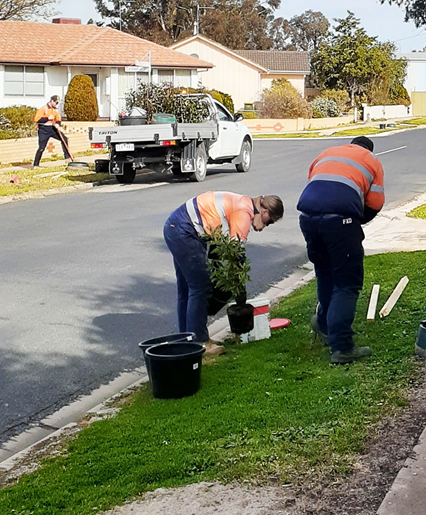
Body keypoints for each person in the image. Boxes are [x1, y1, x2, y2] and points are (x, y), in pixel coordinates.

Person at [297, 135, 385, 366]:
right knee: (347, 282)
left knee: (325, 273)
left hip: (308, 219)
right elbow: (375, 203)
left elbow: (318, 187)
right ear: (369, 149)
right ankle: (342, 347)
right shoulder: (371, 160)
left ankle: (325, 323)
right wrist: (354, 220)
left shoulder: (327, 153)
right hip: (340, 222)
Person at [162, 191, 284, 345]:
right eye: (269, 221)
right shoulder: (244, 213)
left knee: (187, 289)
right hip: (185, 230)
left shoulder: (243, 203)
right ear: (265, 211)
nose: (265, 226)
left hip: (176, 226)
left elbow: (219, 246)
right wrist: (240, 293)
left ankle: (187, 341)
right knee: (201, 288)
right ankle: (199, 343)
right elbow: (236, 254)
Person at [32, 96, 74, 167]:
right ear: (51, 101)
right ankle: (36, 164)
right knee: (41, 147)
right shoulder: (43, 109)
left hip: (52, 128)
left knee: (64, 139)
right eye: (56, 102)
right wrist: (47, 118)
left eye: (57, 103)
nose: (56, 104)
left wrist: (58, 124)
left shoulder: (56, 110)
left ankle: (67, 157)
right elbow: (37, 120)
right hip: (43, 130)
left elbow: (58, 119)